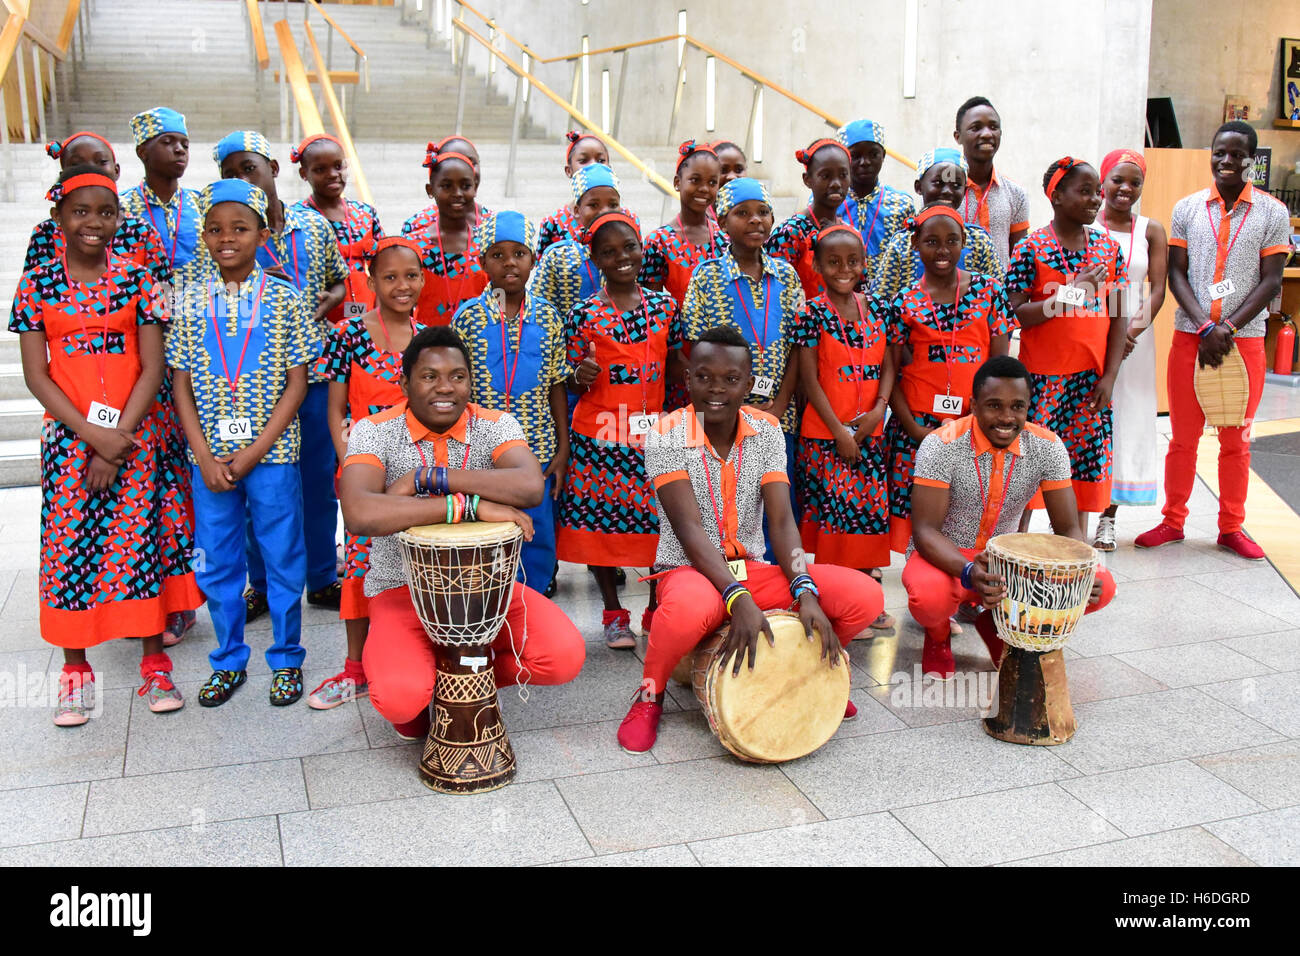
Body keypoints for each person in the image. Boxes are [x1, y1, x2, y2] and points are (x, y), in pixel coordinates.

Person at [616, 325, 885, 753]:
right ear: (687, 379)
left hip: (752, 567)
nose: (716, 389)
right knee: (687, 611)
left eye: (730, 378)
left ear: (749, 382)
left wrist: (805, 588)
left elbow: (781, 521)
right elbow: (688, 531)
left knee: (864, 596)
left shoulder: (767, 431)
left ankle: (817, 671)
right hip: (690, 568)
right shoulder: (666, 432)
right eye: (703, 377)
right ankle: (651, 694)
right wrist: (737, 598)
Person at [11, 166, 201, 725]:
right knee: (73, 545)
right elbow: (36, 375)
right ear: (58, 218)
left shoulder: (140, 277)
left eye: (106, 212)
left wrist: (119, 437)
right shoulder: (37, 283)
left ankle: (153, 665)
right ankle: (75, 671)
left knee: (137, 543)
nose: (94, 223)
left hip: (136, 432)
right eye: (80, 212)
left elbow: (153, 363)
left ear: (120, 218)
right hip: (72, 438)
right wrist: (93, 436)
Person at [338, 326, 585, 740]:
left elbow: (528, 486)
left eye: (457, 376)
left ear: (471, 381)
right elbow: (359, 512)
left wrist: (428, 478)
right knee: (402, 701)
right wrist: (465, 505)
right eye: (429, 376)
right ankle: (424, 689)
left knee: (561, 658)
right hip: (402, 589)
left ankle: (462, 682)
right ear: (404, 382)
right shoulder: (374, 430)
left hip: (490, 588)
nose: (445, 388)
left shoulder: (495, 424)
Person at [168, 179, 322, 707]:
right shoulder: (189, 297)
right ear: (203, 236)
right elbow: (180, 383)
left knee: (282, 555)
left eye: (240, 228)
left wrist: (255, 451)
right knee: (217, 559)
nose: (226, 238)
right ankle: (229, 659)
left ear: (262, 233)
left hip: (272, 455)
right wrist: (204, 456)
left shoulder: (285, 298)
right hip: (208, 459)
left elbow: (298, 383)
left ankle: (285, 658)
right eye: (214, 229)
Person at [904, 355, 1117, 680]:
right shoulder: (940, 445)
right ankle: (938, 636)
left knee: (1103, 585)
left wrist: (1081, 571)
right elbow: (925, 532)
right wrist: (967, 570)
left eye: (1017, 406)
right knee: (928, 596)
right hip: (944, 555)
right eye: (994, 406)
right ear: (973, 405)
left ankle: (997, 621)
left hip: (1007, 558)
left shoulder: (1048, 447)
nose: (1006, 417)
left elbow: (1068, 527)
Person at [1135, 121, 1291, 559]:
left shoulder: (1272, 213)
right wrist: (1205, 325)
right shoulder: (1187, 208)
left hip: (1246, 342)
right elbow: (1176, 273)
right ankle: (1172, 520)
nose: (1227, 161)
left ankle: (1231, 527)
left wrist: (1230, 327)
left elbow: (1271, 281)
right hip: (1191, 338)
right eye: (1220, 152)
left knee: (1236, 439)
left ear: (1251, 161)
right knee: (1183, 437)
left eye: (1237, 155)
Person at [214, 130, 349, 622]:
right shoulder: (228, 237)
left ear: (273, 167)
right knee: (260, 486)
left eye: (249, 168)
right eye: (230, 173)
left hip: (312, 376)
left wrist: (319, 305)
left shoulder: (313, 227)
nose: (242, 179)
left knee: (315, 482)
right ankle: (262, 584)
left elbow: (339, 281)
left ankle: (319, 577)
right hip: (252, 386)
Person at [558, 211, 682, 647]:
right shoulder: (582, 313)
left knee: (658, 525)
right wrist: (581, 374)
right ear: (595, 260)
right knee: (602, 530)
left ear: (642, 248)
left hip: (655, 437)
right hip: (600, 438)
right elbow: (568, 376)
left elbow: (680, 366)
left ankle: (654, 606)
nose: (622, 258)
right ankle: (612, 613)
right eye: (608, 252)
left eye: (629, 247)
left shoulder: (666, 306)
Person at [314, 237, 427, 710]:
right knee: (361, 568)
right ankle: (354, 668)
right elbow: (337, 412)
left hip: (419, 474)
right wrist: (356, 472)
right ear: (371, 282)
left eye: (411, 276)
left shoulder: (428, 339)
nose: (402, 286)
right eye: (390, 277)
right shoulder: (349, 335)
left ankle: (424, 654)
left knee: (418, 565)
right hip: (367, 475)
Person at [1004, 158, 1128, 528]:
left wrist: (1110, 376)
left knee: (1085, 467)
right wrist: (1071, 295)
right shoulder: (1031, 248)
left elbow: (1120, 313)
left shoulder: (1109, 249)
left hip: (1090, 379)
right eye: (1085, 191)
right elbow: (1016, 311)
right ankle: (1017, 547)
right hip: (1042, 381)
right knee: (1029, 465)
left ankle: (1075, 552)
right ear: (1056, 196)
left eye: (1097, 192)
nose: (1096, 200)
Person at [884, 205, 1014, 554]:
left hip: (974, 420)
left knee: (969, 502)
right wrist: (911, 427)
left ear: (963, 243)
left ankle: (967, 576)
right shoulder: (903, 301)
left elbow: (999, 366)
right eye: (931, 242)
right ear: (916, 244)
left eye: (951, 241)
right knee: (922, 507)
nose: (942, 250)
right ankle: (923, 581)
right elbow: (891, 372)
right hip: (920, 424)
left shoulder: (989, 291)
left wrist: (985, 418)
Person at [451, 212, 568, 595]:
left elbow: (555, 385)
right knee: (488, 545)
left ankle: (533, 610)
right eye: (498, 255)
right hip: (483, 457)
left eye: (519, 253)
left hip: (537, 453)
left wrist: (563, 449)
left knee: (537, 543)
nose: (509, 263)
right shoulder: (467, 319)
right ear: (482, 261)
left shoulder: (549, 318)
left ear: (533, 260)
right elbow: (456, 391)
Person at [794, 224, 896, 628]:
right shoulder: (811, 313)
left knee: (865, 519)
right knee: (834, 522)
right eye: (833, 261)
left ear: (863, 264)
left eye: (852, 261)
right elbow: (809, 379)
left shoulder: (880, 309)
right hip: (826, 437)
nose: (843, 269)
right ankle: (837, 601)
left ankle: (864, 600)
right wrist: (839, 431)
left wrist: (878, 411)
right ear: (817, 265)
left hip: (870, 431)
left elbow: (889, 364)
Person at [683, 177, 805, 444]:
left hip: (778, 418)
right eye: (742, 213)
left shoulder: (787, 275)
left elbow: (799, 346)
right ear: (723, 222)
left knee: (776, 485)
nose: (755, 220)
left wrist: (779, 407)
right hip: (721, 419)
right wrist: (729, 410)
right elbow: (697, 351)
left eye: (763, 212)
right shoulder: (707, 276)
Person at [1090, 149, 1168, 550]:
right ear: (1102, 182)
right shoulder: (1087, 226)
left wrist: (1129, 332)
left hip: (1134, 342)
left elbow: (1157, 288)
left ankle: (1108, 518)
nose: (1125, 188)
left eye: (1134, 182)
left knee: (1124, 421)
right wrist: (1107, 336)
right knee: (1086, 418)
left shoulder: (1151, 230)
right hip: (1089, 335)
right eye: (1117, 180)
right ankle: (1071, 514)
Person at [27, 132, 170, 285]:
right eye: (77, 164)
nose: (90, 169)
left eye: (101, 161)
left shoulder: (141, 231)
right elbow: (32, 290)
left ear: (116, 171)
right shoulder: (46, 233)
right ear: (64, 174)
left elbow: (166, 294)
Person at [871, 147, 1000, 305]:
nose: (947, 191)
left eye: (956, 185)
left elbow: (999, 299)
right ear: (919, 187)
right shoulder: (902, 243)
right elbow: (881, 303)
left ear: (965, 190)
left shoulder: (979, 241)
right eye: (938, 183)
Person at [291, 133, 385, 327]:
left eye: (338, 166)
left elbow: (383, 262)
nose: (333, 174)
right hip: (321, 321)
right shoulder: (297, 218)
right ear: (303, 173)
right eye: (320, 169)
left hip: (368, 316)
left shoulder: (365, 213)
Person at [529, 162, 625, 319]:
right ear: (577, 211)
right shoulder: (557, 257)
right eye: (594, 205)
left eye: (613, 204)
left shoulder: (628, 255)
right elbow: (539, 314)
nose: (604, 212)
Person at [766, 138, 858, 298]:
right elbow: (774, 293)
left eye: (843, 175)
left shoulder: (850, 233)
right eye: (826, 176)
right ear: (807, 179)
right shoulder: (790, 233)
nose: (836, 183)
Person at [409, 145, 490, 325]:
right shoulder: (413, 246)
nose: (457, 194)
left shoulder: (488, 243)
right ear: (430, 190)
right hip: (427, 345)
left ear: (475, 188)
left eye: (465, 186)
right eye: (447, 186)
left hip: (477, 346)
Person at [640, 140, 727, 306]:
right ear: (677, 183)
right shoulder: (659, 242)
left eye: (712, 182)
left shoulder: (724, 237)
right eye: (695, 180)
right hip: (678, 329)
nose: (704, 189)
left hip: (722, 329)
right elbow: (651, 305)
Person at [832, 119, 914, 287]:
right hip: (840, 294)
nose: (865, 162)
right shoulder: (829, 202)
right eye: (855, 156)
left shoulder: (902, 204)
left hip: (888, 300)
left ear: (883, 156)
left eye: (873, 154)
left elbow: (910, 258)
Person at [953, 96, 1029, 270]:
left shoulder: (1016, 193)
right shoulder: (944, 191)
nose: (987, 134)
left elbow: (1019, 259)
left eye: (994, 127)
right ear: (958, 137)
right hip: (953, 294)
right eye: (976, 128)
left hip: (998, 295)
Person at [121, 107, 202, 271]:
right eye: (167, 142)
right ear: (142, 152)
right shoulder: (120, 207)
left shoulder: (202, 204)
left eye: (185, 145)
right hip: (143, 295)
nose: (179, 149)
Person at [538, 131, 612, 254]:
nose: (593, 166)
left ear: (609, 168)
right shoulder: (553, 224)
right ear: (568, 171)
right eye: (583, 160)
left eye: (600, 160)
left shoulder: (627, 218)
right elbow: (544, 270)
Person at [401, 137, 488, 238]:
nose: (461, 169)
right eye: (452, 161)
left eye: (471, 163)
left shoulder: (494, 225)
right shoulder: (415, 226)